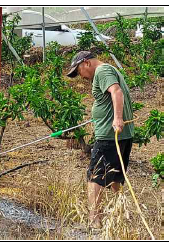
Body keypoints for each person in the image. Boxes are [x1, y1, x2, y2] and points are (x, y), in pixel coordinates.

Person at [66, 51, 134, 228]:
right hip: (122, 135)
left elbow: (116, 92)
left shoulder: (102, 71)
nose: (80, 76)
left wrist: (117, 118)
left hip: (109, 136)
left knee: (94, 176)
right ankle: (121, 213)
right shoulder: (109, 70)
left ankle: (94, 220)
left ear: (86, 63)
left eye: (78, 71)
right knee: (115, 177)